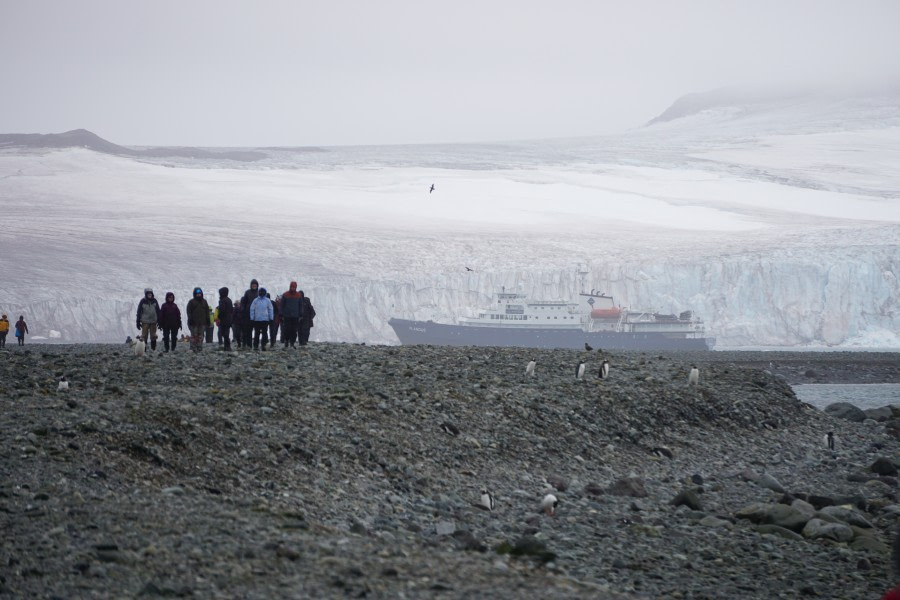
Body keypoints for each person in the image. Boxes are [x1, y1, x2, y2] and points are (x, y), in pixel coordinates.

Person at [186, 287, 211, 352]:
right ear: (194, 294)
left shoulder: (204, 301)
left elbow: (207, 311)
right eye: (197, 294)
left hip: (202, 322)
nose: (198, 295)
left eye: (200, 293)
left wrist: (208, 320)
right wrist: (190, 319)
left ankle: (199, 347)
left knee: (201, 336)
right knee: (194, 335)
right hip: (194, 323)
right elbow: (188, 311)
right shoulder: (191, 302)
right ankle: (193, 348)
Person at [280, 282, 302, 348]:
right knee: (287, 329)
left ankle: (292, 343)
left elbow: (300, 305)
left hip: (295, 316)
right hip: (287, 315)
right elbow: (282, 305)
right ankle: (286, 341)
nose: (293, 288)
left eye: (294, 287)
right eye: (292, 287)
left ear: (296, 287)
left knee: (294, 330)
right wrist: (281, 314)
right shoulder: (285, 294)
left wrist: (301, 314)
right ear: (290, 287)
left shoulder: (299, 295)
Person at [240, 279, 259, 348]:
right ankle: (249, 344)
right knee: (248, 330)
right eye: (253, 284)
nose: (254, 285)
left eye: (255, 284)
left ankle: (256, 345)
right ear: (251, 285)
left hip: (257, 314)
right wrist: (243, 309)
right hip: (248, 314)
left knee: (257, 330)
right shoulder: (247, 292)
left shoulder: (259, 292)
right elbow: (243, 302)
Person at [217, 287, 234, 351]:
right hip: (229, 319)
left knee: (224, 333)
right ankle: (227, 346)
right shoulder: (229, 300)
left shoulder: (222, 300)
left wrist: (219, 316)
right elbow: (231, 310)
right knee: (226, 332)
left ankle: (227, 346)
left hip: (224, 319)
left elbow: (222, 310)